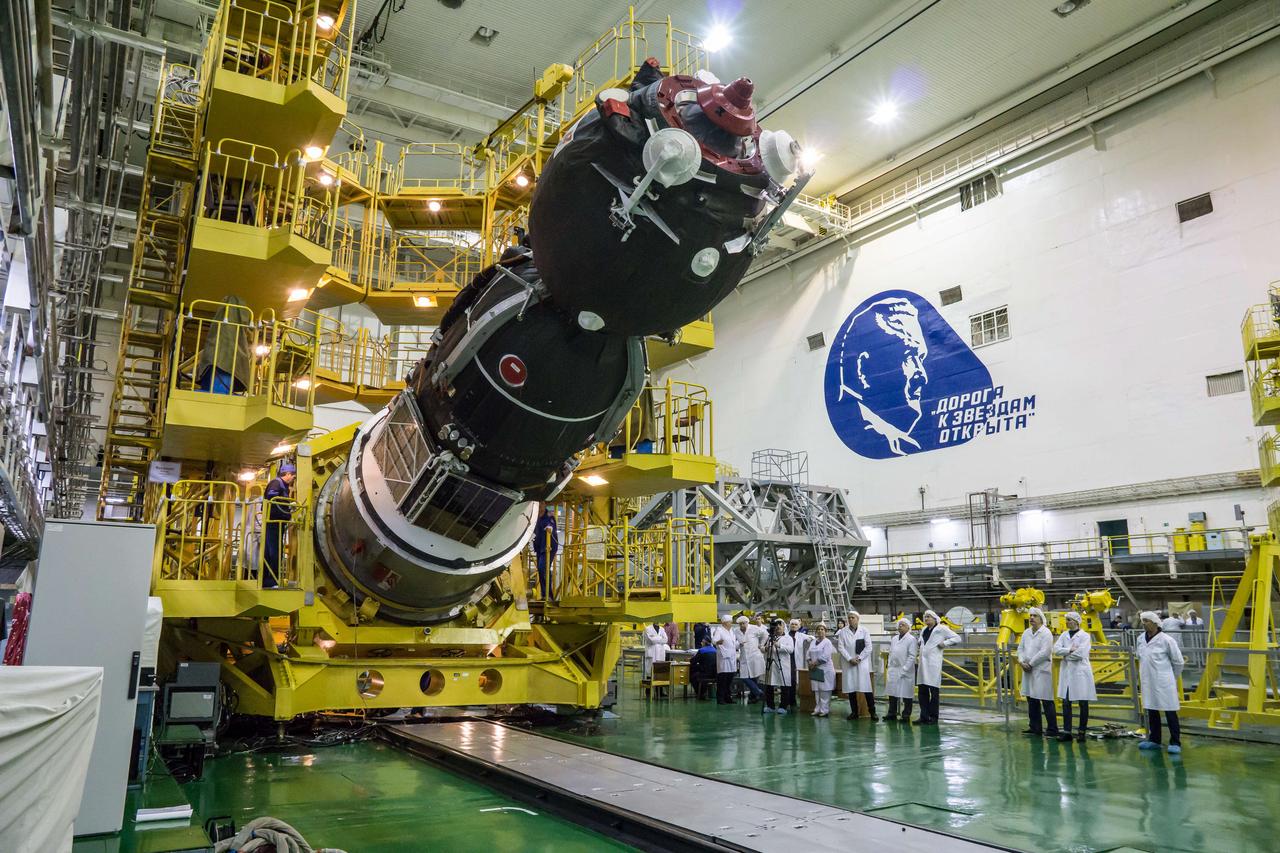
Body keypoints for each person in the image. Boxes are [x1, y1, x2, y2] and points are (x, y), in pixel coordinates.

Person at [1137, 610, 1185, 753]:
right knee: (1152, 710)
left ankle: (1175, 742)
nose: (1144, 624)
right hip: (1148, 680)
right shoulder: (1140, 638)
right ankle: (1154, 740)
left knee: (1170, 711)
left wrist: (1172, 677)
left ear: (1156, 623)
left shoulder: (1167, 640)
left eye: (1147, 621)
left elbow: (1178, 662)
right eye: (1143, 621)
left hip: (1164, 680)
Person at [1054, 611, 1097, 742]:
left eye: (1069, 620)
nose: (1067, 622)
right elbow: (1055, 649)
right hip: (1067, 673)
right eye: (1066, 620)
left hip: (1080, 673)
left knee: (1083, 702)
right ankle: (1067, 732)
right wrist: (1069, 650)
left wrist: (1066, 655)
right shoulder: (1063, 635)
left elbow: (1081, 654)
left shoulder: (1085, 636)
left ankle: (1081, 731)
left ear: (1077, 622)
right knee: (1066, 702)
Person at [1017, 607, 1058, 738]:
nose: (1032, 618)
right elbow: (1020, 648)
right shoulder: (1026, 632)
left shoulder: (1046, 633)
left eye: (1035, 616)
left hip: (1041, 669)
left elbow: (1045, 652)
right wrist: (1021, 661)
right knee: (1031, 699)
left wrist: (1030, 663)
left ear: (1041, 618)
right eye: (1030, 616)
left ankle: (1052, 729)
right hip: (1028, 670)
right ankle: (1035, 728)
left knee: (1046, 700)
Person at [915, 609, 960, 725]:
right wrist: (920, 641)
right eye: (925, 617)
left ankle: (933, 717)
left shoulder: (942, 629)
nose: (926, 619)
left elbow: (957, 638)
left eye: (929, 617)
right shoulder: (924, 629)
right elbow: (922, 639)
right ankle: (924, 716)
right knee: (922, 692)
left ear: (935, 619)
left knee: (934, 692)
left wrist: (944, 644)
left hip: (933, 664)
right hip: (923, 664)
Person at [836, 610, 876, 720]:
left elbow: (869, 647)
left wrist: (859, 658)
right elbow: (840, 647)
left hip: (861, 663)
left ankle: (873, 712)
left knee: (866, 688)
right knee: (851, 689)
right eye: (849, 618)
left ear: (858, 619)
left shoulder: (864, 631)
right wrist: (850, 659)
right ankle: (854, 712)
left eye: (853, 617)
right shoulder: (842, 632)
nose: (850, 619)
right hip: (849, 664)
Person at [262, 462, 295, 588]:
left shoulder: (283, 486)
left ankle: (268, 580)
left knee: (272, 551)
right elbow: (273, 501)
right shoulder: (276, 483)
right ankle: (271, 581)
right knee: (274, 552)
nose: (293, 479)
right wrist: (286, 508)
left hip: (277, 523)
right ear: (287, 474)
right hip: (273, 523)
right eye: (293, 476)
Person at [885, 617, 918, 722]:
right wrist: (889, 665)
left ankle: (906, 715)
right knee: (892, 692)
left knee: (907, 694)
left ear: (908, 627)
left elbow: (912, 656)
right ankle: (892, 713)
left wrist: (904, 669)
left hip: (905, 670)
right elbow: (891, 653)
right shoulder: (894, 639)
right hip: (894, 669)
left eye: (903, 625)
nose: (900, 626)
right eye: (899, 625)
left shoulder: (911, 639)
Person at [761, 618, 794, 715]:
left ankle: (783, 706)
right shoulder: (769, 637)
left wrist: (779, 645)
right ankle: (770, 706)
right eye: (776, 625)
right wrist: (765, 648)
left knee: (784, 685)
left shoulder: (788, 638)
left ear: (784, 627)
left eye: (780, 625)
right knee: (769, 685)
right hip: (771, 664)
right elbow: (762, 647)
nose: (778, 627)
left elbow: (791, 650)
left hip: (782, 665)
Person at [806, 623, 836, 717]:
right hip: (815, 670)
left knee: (825, 691)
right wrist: (810, 662)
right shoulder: (813, 642)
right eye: (818, 629)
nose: (820, 631)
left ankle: (824, 710)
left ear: (825, 632)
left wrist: (814, 664)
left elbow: (826, 656)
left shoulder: (827, 642)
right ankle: (817, 709)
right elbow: (808, 654)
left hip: (825, 669)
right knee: (817, 691)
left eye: (822, 629)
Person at [735, 615, 765, 703]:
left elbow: (765, 634)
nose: (742, 626)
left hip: (754, 656)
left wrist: (761, 644)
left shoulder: (754, 629)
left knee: (754, 677)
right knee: (744, 677)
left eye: (743, 624)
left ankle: (754, 697)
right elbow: (735, 643)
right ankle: (758, 692)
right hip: (744, 657)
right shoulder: (736, 631)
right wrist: (739, 644)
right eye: (740, 624)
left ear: (747, 623)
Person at [711, 614, 740, 705]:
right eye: (730, 622)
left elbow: (733, 643)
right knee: (722, 679)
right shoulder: (719, 630)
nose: (731, 624)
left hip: (731, 657)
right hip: (723, 657)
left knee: (729, 678)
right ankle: (720, 698)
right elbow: (714, 641)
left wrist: (740, 644)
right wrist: (718, 642)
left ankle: (728, 698)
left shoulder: (731, 631)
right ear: (724, 623)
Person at [532, 505, 559, 599]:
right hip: (539, 548)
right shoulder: (535, 516)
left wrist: (550, 528)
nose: (540, 506)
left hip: (549, 547)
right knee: (541, 570)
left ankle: (548, 596)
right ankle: (545, 594)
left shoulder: (549, 516)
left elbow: (551, 525)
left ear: (544, 504)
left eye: (541, 503)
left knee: (543, 568)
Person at [786, 619, 810, 711]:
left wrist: (809, 639)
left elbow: (811, 638)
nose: (794, 626)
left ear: (799, 626)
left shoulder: (801, 635)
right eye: (792, 624)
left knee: (794, 680)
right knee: (788, 680)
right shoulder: (786, 635)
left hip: (796, 660)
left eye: (796, 624)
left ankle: (793, 700)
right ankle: (789, 700)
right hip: (787, 659)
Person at [642, 621, 669, 698]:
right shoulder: (647, 629)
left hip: (660, 653)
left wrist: (655, 639)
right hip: (651, 654)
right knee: (650, 673)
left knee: (659, 673)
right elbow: (650, 640)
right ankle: (648, 692)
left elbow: (666, 640)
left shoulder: (662, 629)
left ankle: (660, 692)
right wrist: (660, 638)